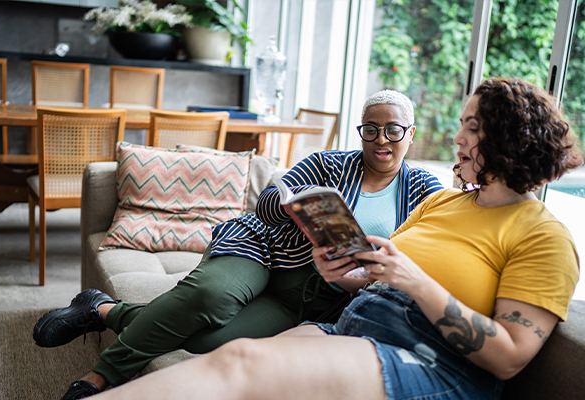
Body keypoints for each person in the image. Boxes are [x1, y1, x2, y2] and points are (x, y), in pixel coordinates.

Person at [86, 77, 582, 400]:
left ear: (510, 141)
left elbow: (512, 356)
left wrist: (414, 282)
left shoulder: (542, 236)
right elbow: (373, 279)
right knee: (223, 349)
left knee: (242, 358)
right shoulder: (445, 203)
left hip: (430, 357)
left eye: (470, 128)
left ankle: (101, 342)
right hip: (345, 314)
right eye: (460, 126)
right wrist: (347, 277)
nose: (456, 140)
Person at [33, 90, 443, 399]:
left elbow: (424, 251)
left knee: (203, 338)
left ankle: (102, 310)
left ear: (410, 132)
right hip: (264, 251)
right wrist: (287, 203)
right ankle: (102, 377)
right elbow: (267, 201)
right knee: (209, 298)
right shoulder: (330, 163)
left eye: (392, 129)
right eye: (370, 129)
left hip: (315, 297)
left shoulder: (424, 190)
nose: (381, 139)